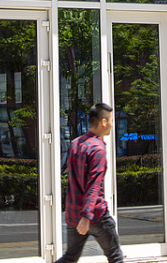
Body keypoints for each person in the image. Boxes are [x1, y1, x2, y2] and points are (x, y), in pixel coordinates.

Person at [56, 102, 124, 263]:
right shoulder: (97, 149)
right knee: (115, 256)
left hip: (73, 213)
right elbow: (94, 186)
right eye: (111, 120)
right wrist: (86, 217)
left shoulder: (76, 143)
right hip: (95, 215)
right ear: (103, 122)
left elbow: (72, 181)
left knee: (70, 257)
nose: (112, 124)